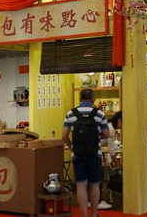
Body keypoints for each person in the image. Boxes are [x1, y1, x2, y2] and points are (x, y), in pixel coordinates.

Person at [64, 89, 110, 217]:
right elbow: (107, 134)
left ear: (80, 99)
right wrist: (95, 136)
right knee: (95, 184)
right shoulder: (99, 114)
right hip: (95, 153)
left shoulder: (70, 114)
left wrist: (71, 147)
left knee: (81, 185)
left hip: (78, 154)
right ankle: (94, 214)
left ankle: (84, 215)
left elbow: (64, 135)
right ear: (93, 99)